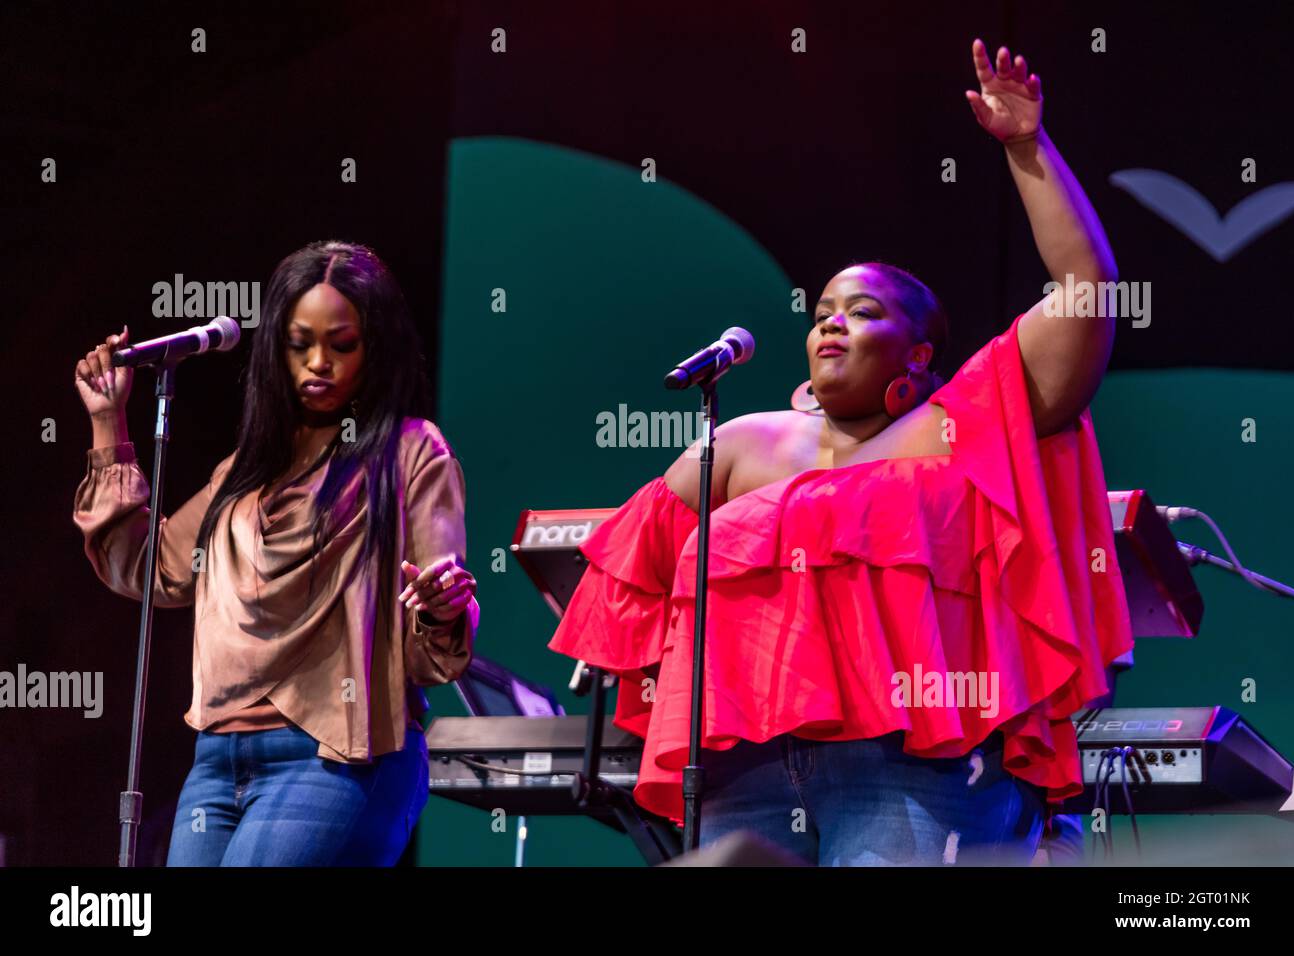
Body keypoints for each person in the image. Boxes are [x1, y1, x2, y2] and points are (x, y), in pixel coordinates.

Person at [549, 40, 1134, 865]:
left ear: (920, 354)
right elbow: (613, 585)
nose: (830, 322)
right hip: (737, 777)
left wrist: (1025, 148)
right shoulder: (742, 445)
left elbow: (1087, 290)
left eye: (861, 311)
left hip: (907, 771)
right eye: (822, 309)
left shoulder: (965, 422)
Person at [73, 240, 479, 866]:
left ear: (377, 350)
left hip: (337, 757)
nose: (319, 362)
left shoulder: (410, 454)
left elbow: (434, 639)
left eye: (342, 344)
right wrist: (110, 425)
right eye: (300, 342)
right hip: (216, 760)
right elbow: (145, 567)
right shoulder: (244, 473)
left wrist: (442, 608)